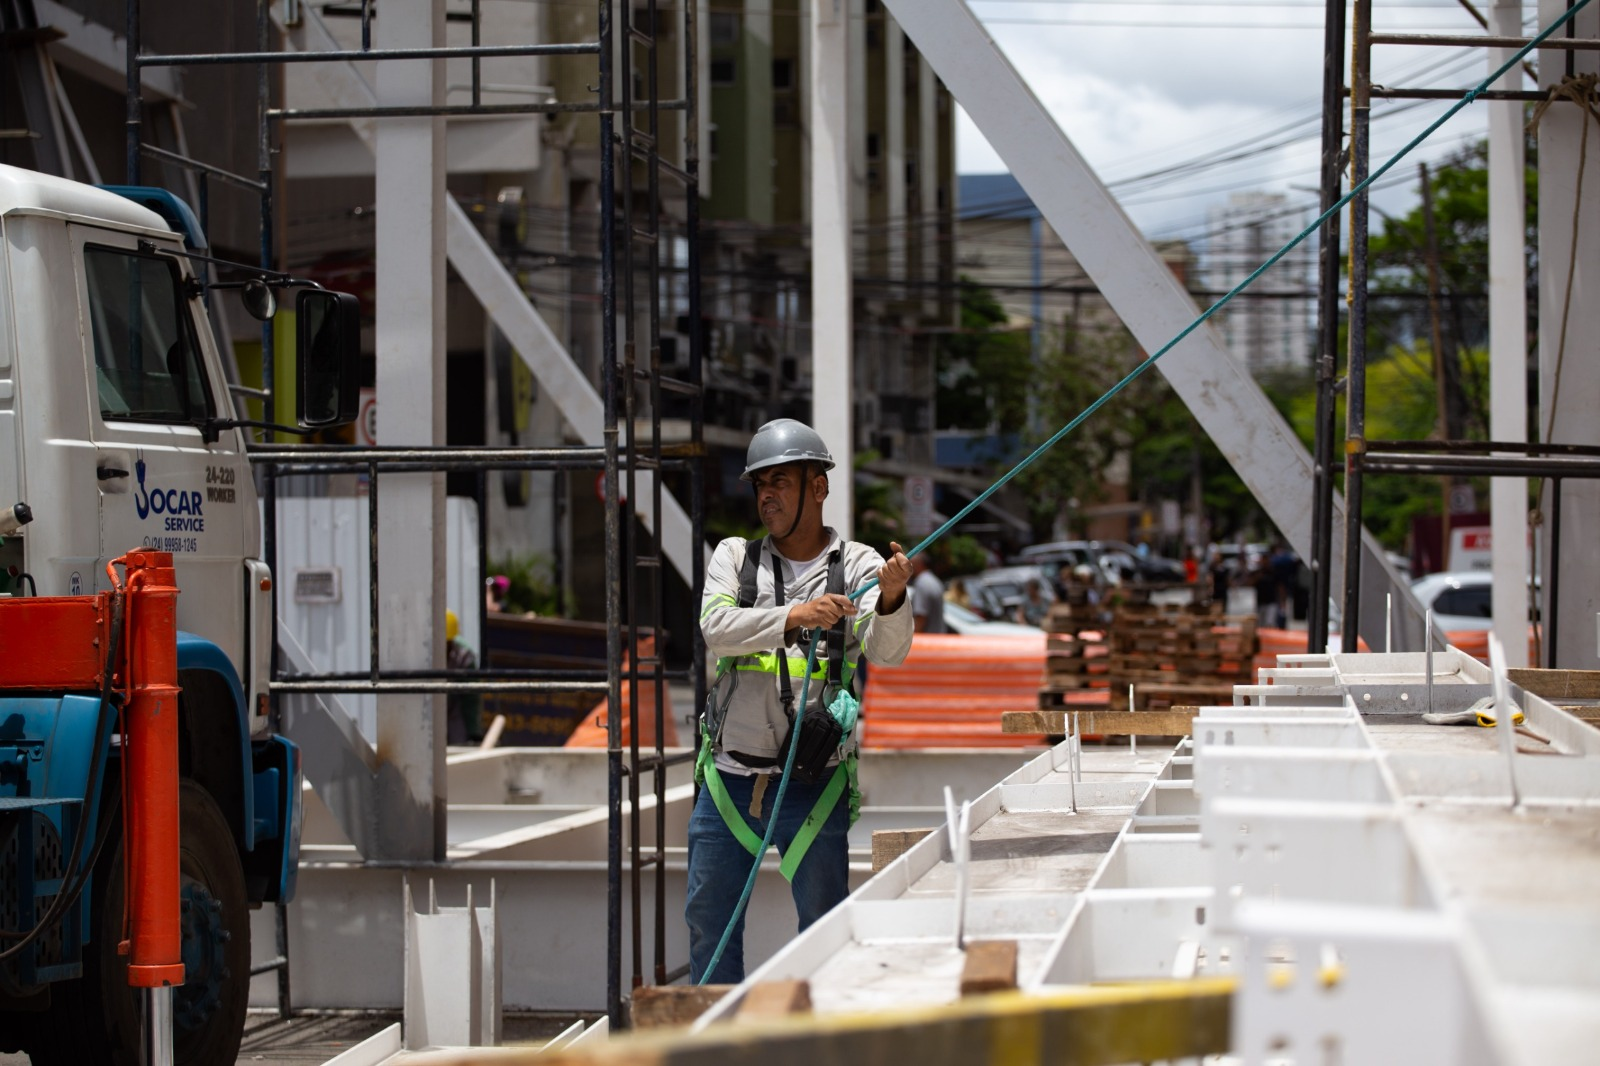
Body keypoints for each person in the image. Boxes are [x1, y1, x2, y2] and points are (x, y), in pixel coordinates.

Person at [691, 418, 913, 983]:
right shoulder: (736, 559)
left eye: (781, 482)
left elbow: (888, 654)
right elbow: (716, 627)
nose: (767, 495)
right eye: (760, 484)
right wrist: (797, 615)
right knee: (710, 928)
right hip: (730, 781)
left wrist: (890, 599)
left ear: (819, 488)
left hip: (815, 785)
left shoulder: (860, 567)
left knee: (825, 934)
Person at [444, 610, 482, 744]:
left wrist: (474, 732)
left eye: (447, 643)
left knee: (458, 745)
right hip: (429, 708)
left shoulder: (464, 656)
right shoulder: (423, 652)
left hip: (454, 708)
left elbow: (470, 697)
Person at [910, 551, 946, 633]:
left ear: (919, 564)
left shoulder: (921, 583)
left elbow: (920, 617)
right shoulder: (933, 580)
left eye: (911, 563)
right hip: (937, 638)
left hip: (926, 640)